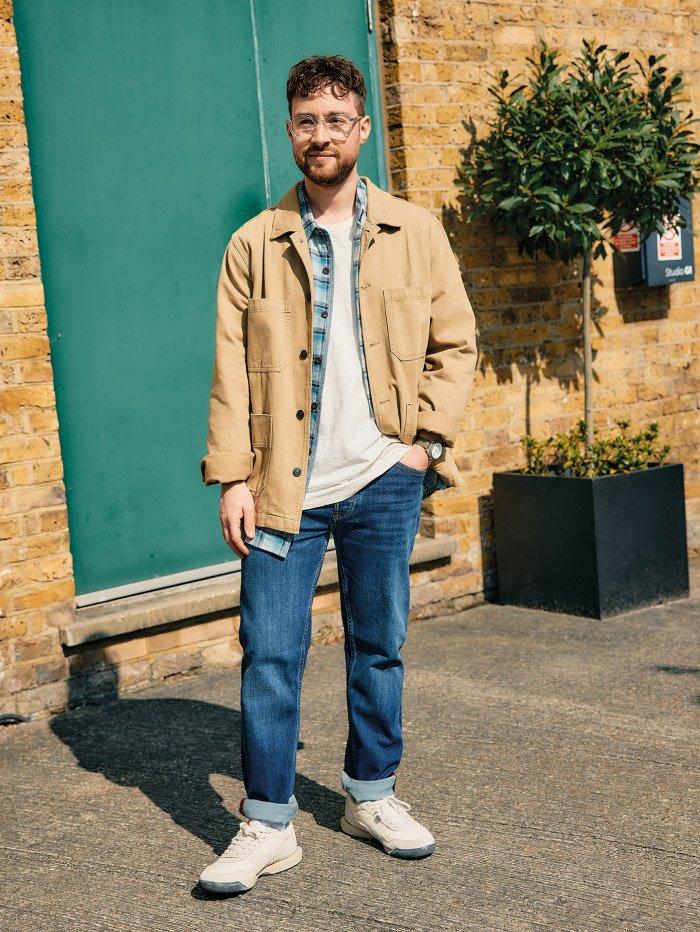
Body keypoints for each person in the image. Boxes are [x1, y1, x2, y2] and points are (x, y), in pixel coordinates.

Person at [198, 54, 477, 894]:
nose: (321, 135)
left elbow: (454, 344)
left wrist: (422, 447)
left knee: (378, 646)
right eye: (306, 121)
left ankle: (371, 793)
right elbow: (228, 369)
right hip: (283, 490)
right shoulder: (254, 243)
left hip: (382, 480)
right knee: (271, 655)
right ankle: (268, 823)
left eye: (336, 120)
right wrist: (233, 478)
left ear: (362, 130)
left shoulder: (414, 231)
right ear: (291, 131)